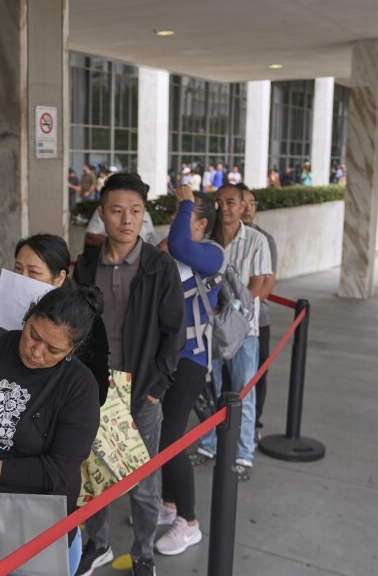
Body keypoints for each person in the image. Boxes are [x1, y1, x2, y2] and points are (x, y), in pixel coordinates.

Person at [0, 285, 103, 576]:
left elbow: (57, 471)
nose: (37, 353)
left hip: (38, 534)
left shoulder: (79, 387)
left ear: (72, 350)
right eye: (34, 335)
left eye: (53, 350)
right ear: (28, 314)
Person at [73, 173, 185, 576]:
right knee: (94, 471)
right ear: (102, 214)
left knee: (142, 480)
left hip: (140, 390)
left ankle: (142, 554)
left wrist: (156, 389)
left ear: (144, 216)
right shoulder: (86, 265)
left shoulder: (159, 267)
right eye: (117, 210)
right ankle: (98, 544)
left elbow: (175, 333)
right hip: (93, 388)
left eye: (135, 211)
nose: (126, 219)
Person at [152, 186, 224, 556]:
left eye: (186, 214)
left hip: (192, 360)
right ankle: (168, 504)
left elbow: (178, 245)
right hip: (166, 358)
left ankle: (190, 522)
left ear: (203, 223)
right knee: (161, 431)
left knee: (172, 440)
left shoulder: (212, 253)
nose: (177, 221)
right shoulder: (178, 249)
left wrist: (183, 201)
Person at [195, 184, 272, 481]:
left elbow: (257, 285)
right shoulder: (207, 239)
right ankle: (210, 445)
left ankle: (243, 454)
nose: (224, 208)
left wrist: (231, 316)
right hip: (209, 330)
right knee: (212, 389)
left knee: (243, 391)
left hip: (243, 332)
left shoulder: (256, 240)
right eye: (219, 202)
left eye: (230, 202)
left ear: (243, 206)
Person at [13, 234, 110, 405]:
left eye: (33, 272)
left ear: (59, 278)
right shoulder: (9, 304)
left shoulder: (84, 320)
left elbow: (97, 392)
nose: (22, 277)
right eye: (18, 268)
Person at [238, 186, 277, 444]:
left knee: (256, 374)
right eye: (244, 203)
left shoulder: (264, 239)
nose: (249, 208)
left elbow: (266, 285)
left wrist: (241, 310)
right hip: (226, 322)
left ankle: (253, 424)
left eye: (253, 203)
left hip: (256, 320)